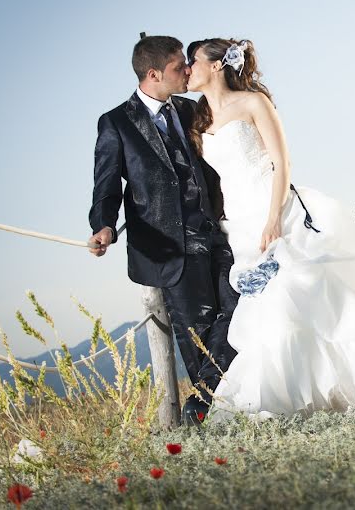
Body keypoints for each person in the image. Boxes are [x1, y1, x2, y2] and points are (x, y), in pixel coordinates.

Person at [184, 38, 355, 419]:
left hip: (273, 209)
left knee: (302, 290)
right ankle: (285, 394)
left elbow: (282, 162)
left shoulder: (253, 103)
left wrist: (274, 218)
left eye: (192, 61)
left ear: (215, 65)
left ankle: (341, 384)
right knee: (267, 308)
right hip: (239, 221)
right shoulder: (199, 117)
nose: (187, 69)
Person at [88, 36, 239, 425]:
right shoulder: (116, 122)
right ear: (153, 74)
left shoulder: (191, 109)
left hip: (215, 230)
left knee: (241, 306)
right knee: (199, 334)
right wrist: (103, 226)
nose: (187, 70)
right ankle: (207, 412)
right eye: (178, 66)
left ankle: (201, 406)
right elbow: (107, 186)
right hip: (167, 246)